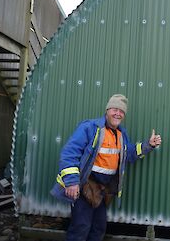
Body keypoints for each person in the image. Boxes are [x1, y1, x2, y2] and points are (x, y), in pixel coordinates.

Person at [51, 94, 162, 241]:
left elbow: (128, 154)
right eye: (115, 109)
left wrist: (148, 145)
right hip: (85, 187)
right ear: (107, 110)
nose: (118, 113)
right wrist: (71, 182)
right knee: (80, 228)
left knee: (98, 228)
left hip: (102, 191)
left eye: (121, 111)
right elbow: (69, 153)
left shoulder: (121, 134)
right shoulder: (90, 128)